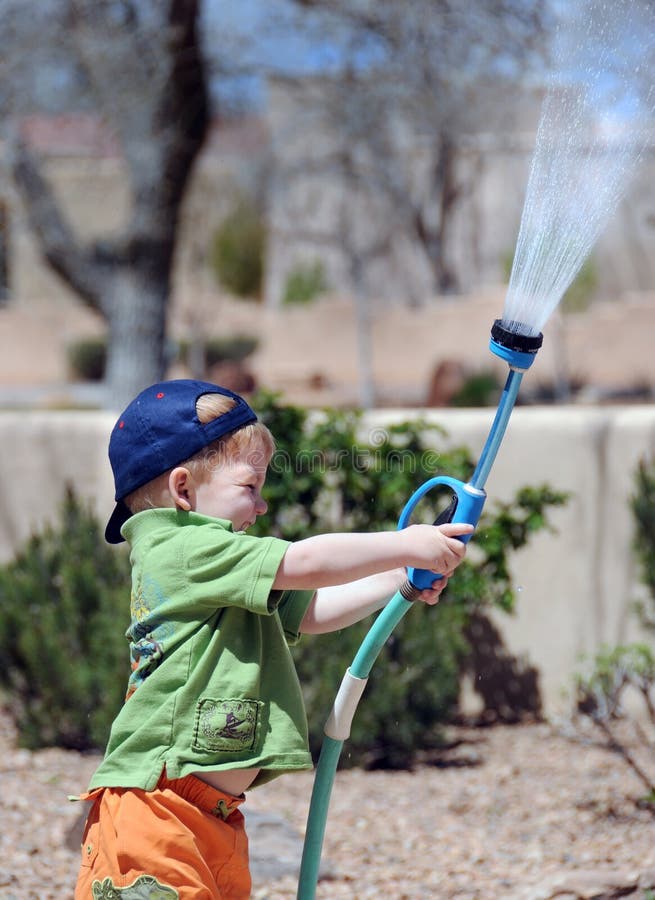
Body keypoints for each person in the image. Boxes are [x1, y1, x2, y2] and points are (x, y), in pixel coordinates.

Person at [75, 379, 473, 900]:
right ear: (182, 490)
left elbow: (313, 610)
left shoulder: (224, 569)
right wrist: (403, 544)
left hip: (210, 814)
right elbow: (305, 562)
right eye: (249, 487)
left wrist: (401, 575)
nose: (261, 506)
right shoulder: (180, 546)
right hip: (157, 809)